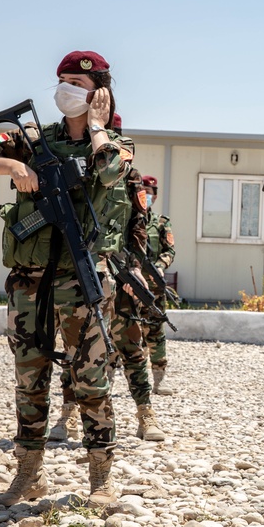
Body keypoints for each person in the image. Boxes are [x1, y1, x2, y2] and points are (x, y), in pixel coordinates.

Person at [0, 51, 138, 507]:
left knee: (92, 379)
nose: (66, 89)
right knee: (29, 375)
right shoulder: (30, 138)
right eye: (61, 81)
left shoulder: (116, 143)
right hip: (29, 281)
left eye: (77, 82)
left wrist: (97, 127)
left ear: (98, 90)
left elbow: (113, 171)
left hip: (82, 280)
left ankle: (101, 480)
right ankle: (28, 475)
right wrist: (14, 167)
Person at [50, 169, 168, 443]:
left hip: (120, 273)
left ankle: (145, 414)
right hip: (83, 273)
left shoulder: (129, 177)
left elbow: (138, 224)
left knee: (131, 347)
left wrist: (136, 268)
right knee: (74, 349)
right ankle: (68, 415)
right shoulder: (75, 170)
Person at [139, 176, 177, 395]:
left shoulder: (162, 222)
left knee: (155, 330)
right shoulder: (125, 220)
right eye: (142, 191)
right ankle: (109, 377)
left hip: (153, 285)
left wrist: (161, 265)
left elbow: (169, 250)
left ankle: (159, 380)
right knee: (119, 330)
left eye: (150, 192)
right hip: (128, 286)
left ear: (155, 195)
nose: (146, 196)